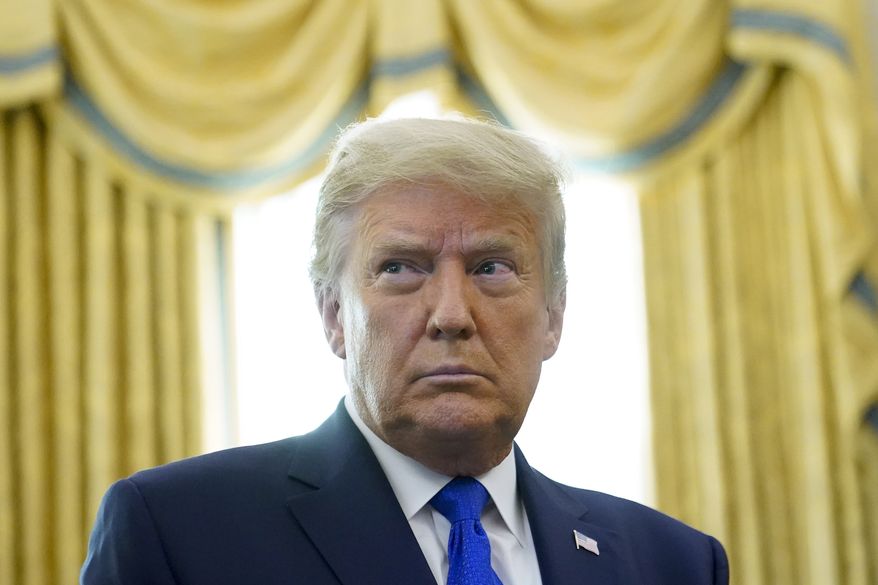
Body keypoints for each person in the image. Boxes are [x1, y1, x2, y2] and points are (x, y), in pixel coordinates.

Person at [81, 117, 729, 585]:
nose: (451, 314)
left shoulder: (671, 562)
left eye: (493, 267)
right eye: (401, 267)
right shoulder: (178, 532)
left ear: (554, 314)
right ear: (334, 313)